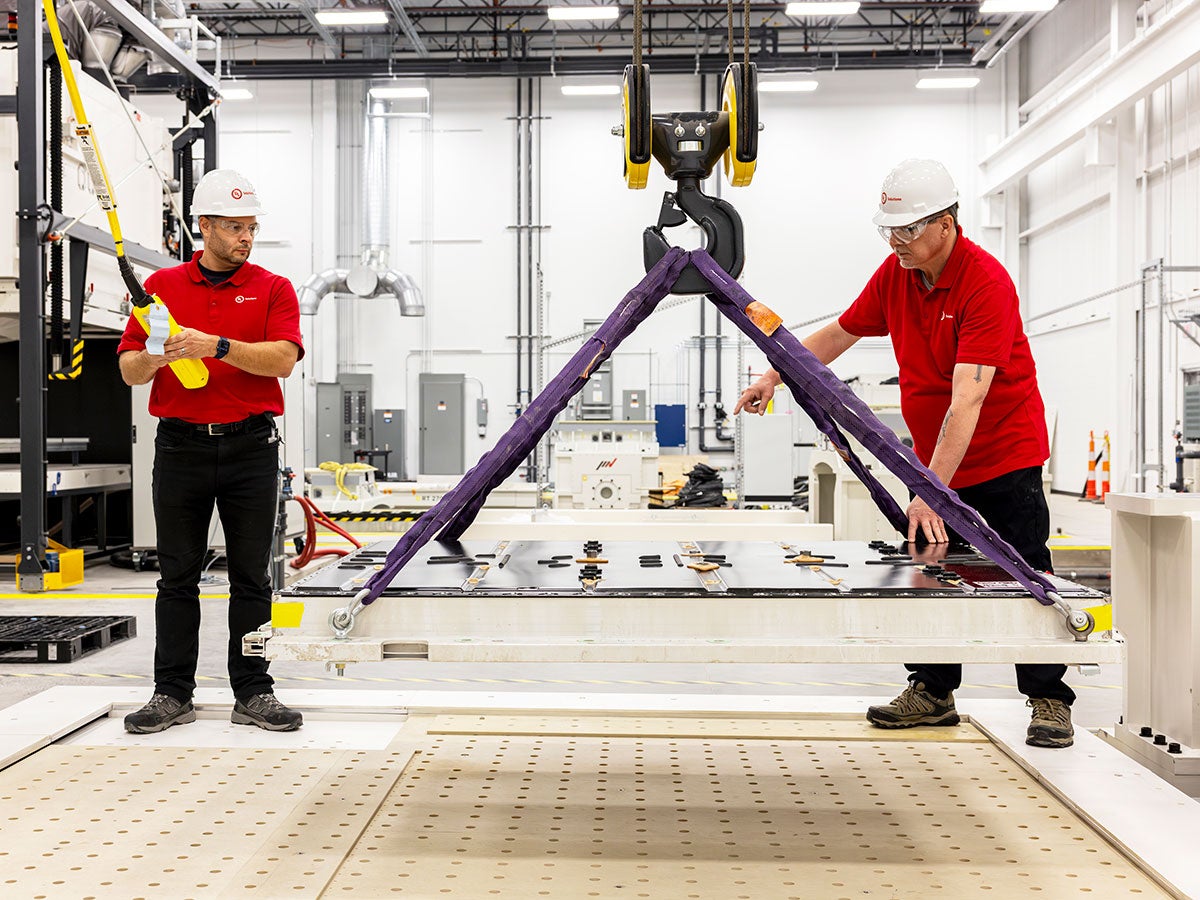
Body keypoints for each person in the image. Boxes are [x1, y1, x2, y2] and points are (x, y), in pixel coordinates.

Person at [734, 158, 1073, 749]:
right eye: (889, 229)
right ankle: (933, 691)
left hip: (1003, 454)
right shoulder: (897, 274)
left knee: (1024, 572)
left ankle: (1048, 698)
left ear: (946, 223)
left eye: (909, 228)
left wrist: (929, 492)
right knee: (931, 573)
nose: (896, 240)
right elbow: (840, 333)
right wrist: (775, 374)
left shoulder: (985, 283)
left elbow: (967, 400)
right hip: (934, 461)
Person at [117, 169, 305, 734]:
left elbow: (282, 360)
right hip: (180, 448)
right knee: (176, 577)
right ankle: (172, 693)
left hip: (251, 448)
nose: (246, 237)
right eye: (234, 227)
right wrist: (159, 354)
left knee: (252, 578)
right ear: (204, 226)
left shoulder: (273, 288)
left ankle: (254, 691)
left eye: (251, 227)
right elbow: (130, 371)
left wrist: (215, 346)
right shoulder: (161, 288)